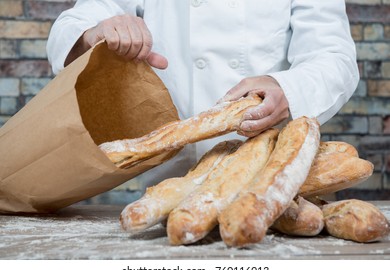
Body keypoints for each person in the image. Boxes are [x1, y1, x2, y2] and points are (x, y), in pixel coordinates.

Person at [47, 0, 359, 187]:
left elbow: (334, 56)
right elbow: (75, 23)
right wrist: (96, 32)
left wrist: (288, 90)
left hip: (275, 181)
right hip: (170, 186)